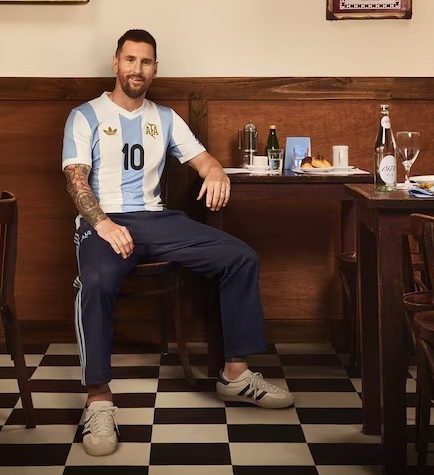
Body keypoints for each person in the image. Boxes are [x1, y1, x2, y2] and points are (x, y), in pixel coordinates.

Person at [61, 29, 293, 457]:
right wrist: (103, 223)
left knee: (239, 257)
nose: (137, 69)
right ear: (115, 63)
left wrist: (215, 171)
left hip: (156, 220)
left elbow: (202, 159)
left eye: (146, 61)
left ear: (155, 69)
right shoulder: (85, 115)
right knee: (94, 281)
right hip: (105, 221)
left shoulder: (164, 117)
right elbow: (76, 180)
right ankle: (98, 399)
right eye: (130, 59)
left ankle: (236, 375)